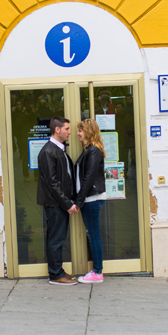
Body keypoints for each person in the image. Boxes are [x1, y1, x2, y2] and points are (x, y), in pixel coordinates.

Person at [37, 116, 79, 286]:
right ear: (57, 130)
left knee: (59, 239)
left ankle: (59, 271)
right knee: (56, 239)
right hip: (55, 204)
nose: (70, 132)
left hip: (59, 203)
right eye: (67, 129)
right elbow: (52, 183)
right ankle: (55, 275)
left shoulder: (58, 150)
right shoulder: (48, 152)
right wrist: (67, 204)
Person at [74, 118, 107, 284]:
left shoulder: (93, 151)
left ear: (88, 132)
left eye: (80, 130)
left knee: (93, 236)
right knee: (92, 235)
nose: (78, 134)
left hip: (92, 199)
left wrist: (78, 201)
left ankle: (98, 272)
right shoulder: (90, 150)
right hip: (90, 199)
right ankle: (96, 271)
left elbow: (88, 179)